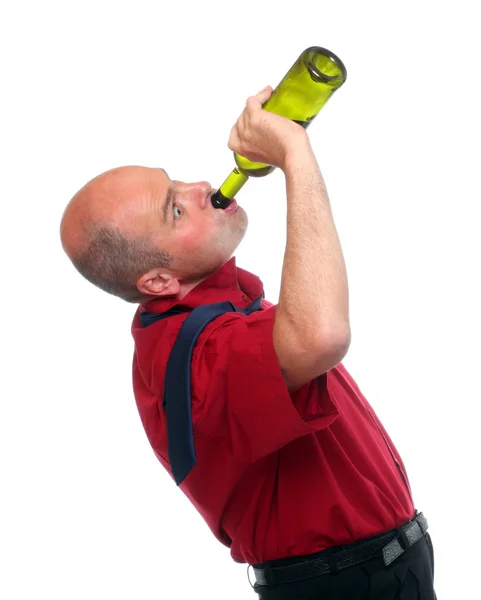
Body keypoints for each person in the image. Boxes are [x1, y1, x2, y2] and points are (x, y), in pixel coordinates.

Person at [60, 85, 437, 600]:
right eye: (174, 209)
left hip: (375, 573)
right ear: (157, 282)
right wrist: (295, 157)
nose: (201, 187)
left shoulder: (217, 312)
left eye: (176, 179)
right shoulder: (195, 356)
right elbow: (322, 334)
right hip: (344, 586)